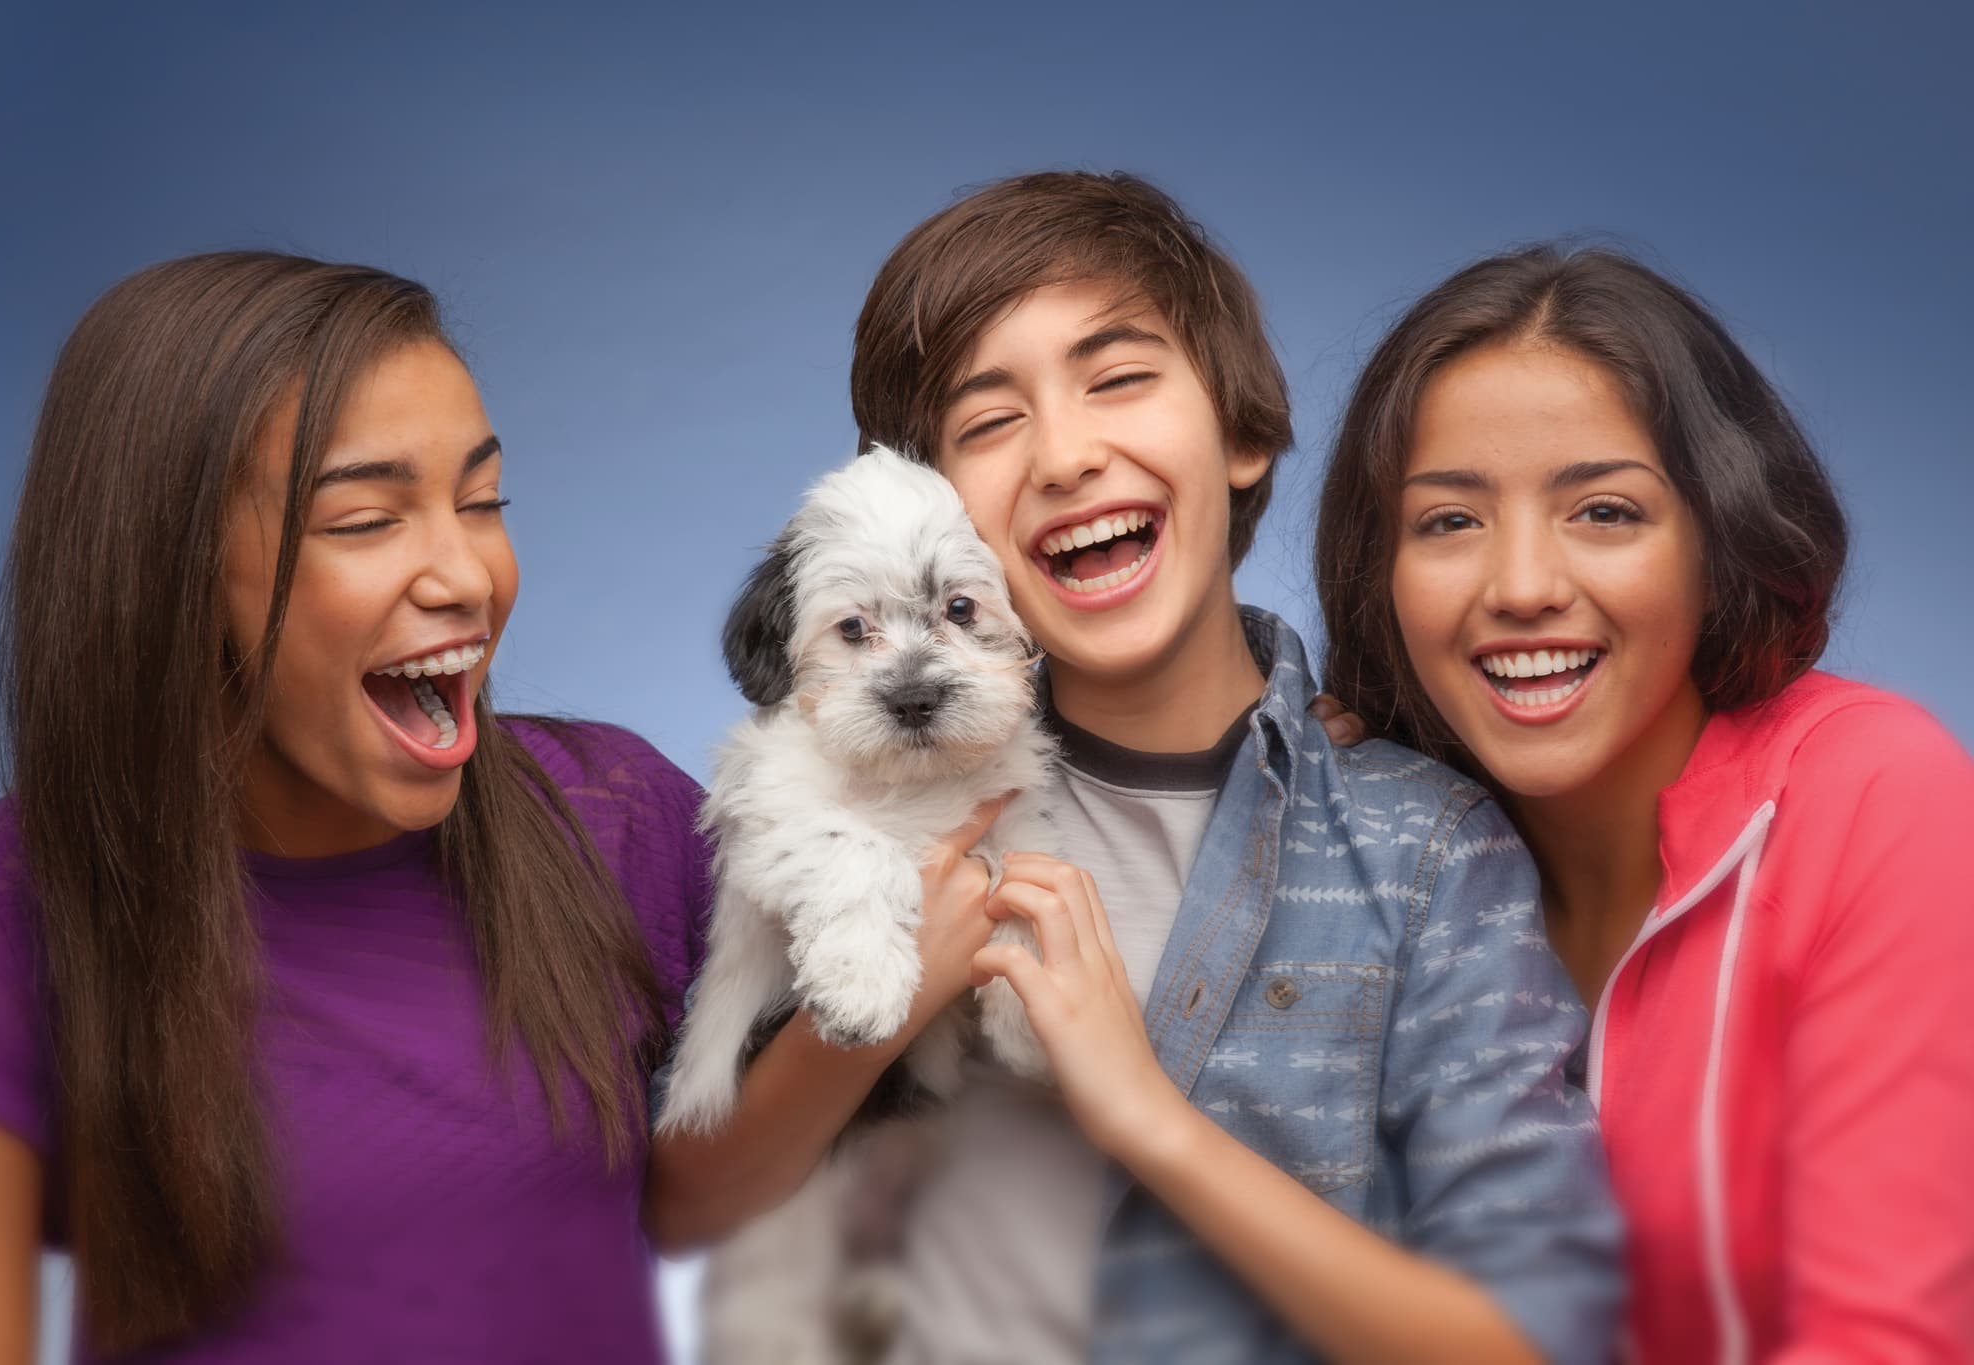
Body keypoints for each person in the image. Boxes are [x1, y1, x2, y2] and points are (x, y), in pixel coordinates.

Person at [646, 172, 1622, 1364]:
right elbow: (685, 1200)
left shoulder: (1418, 849)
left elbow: (1537, 1336)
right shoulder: (852, 799)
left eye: (1117, 379)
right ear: (921, 507)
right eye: (988, 420)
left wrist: (1147, 1118)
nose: (1063, 455)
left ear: (1243, 434)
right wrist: (872, 1016)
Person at [0, 252, 711, 1363]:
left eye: (482, 502)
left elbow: (920, 1076)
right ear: (176, 573)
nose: (467, 576)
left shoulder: (614, 817)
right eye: (365, 521)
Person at [1313, 244, 1974, 1361]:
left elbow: (1882, 1341)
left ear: (1715, 544)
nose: (1520, 586)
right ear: (1381, 578)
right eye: (1449, 522)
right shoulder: (1382, 854)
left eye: (1603, 512)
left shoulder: (1874, 794)